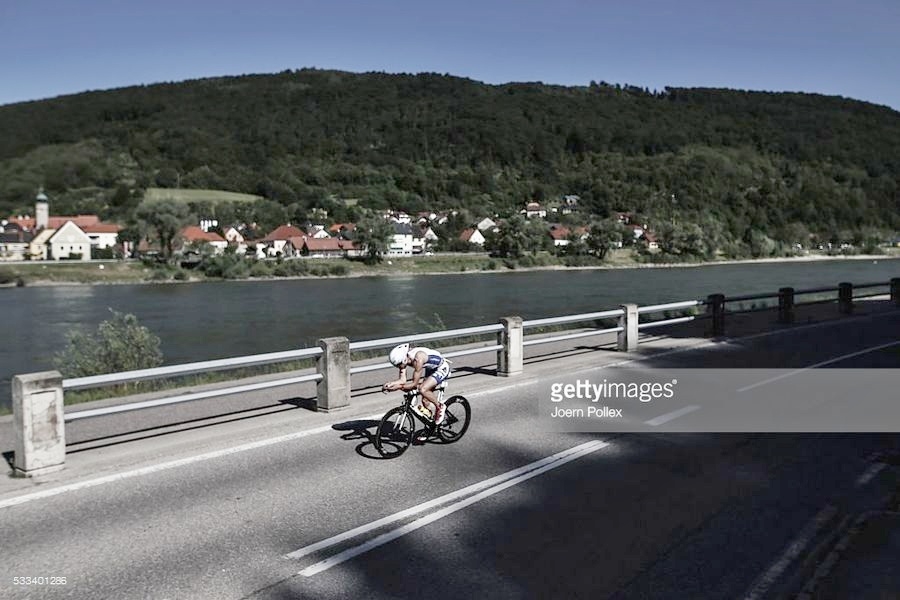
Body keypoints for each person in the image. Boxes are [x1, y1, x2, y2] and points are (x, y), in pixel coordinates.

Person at [382, 343, 450, 425]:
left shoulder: (418, 358)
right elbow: (402, 380)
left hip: (441, 368)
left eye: (399, 365)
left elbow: (414, 384)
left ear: (404, 359)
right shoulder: (404, 359)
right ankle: (432, 426)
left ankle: (440, 406)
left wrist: (398, 387)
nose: (399, 367)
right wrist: (390, 384)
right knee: (425, 401)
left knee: (423, 389)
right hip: (430, 369)